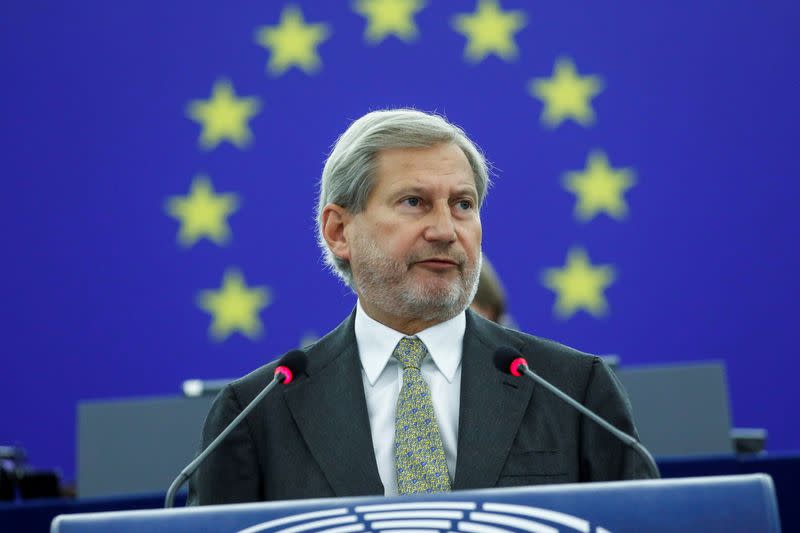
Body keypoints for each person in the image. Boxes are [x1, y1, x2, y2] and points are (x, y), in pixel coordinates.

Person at [189, 109, 655, 505]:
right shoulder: (255, 415)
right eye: (414, 202)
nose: (445, 231)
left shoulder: (574, 390)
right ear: (338, 231)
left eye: (462, 204)